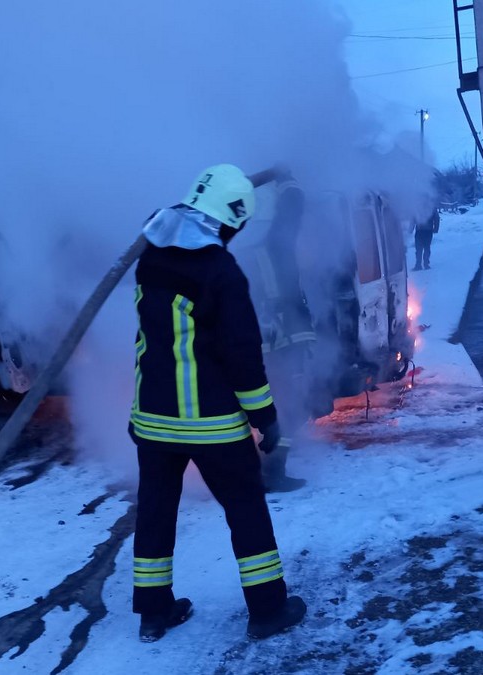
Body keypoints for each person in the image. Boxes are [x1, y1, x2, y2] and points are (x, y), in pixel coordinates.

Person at [129, 164, 307, 643]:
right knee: (246, 510)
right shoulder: (220, 273)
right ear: (231, 218)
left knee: (156, 511)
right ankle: (268, 609)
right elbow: (242, 357)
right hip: (210, 424)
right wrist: (265, 419)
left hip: (151, 420)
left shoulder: (150, 255)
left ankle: (154, 611)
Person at [243, 175, 314, 492]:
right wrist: (287, 180)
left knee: (268, 405)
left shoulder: (233, 246)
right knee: (288, 405)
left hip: (260, 339)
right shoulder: (273, 243)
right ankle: (273, 471)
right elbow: (293, 208)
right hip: (280, 339)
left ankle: (261, 464)